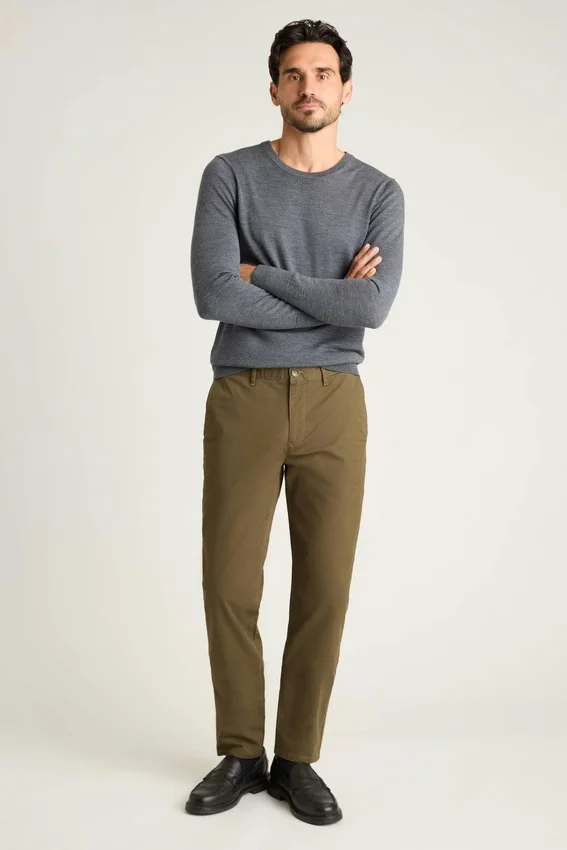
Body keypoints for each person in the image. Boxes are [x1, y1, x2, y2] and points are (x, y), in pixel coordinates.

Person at [185, 18, 405, 826]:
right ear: (273, 88)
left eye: (322, 74)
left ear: (346, 88)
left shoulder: (378, 193)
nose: (307, 87)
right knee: (228, 582)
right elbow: (212, 293)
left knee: (324, 587)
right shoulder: (229, 176)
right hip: (242, 394)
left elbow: (370, 308)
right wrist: (328, 294)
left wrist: (260, 273)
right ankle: (241, 751)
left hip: (333, 401)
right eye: (292, 74)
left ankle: (296, 757)